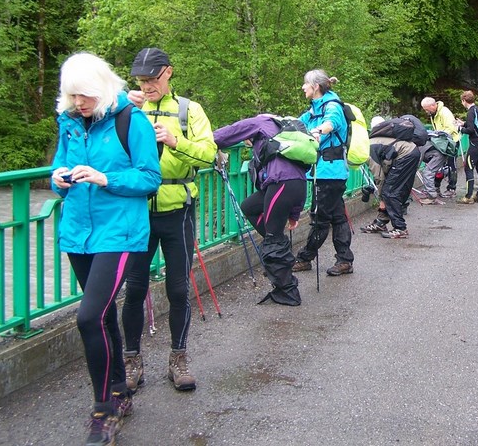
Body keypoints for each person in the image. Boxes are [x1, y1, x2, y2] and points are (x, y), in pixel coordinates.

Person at [50, 53, 161, 446]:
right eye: (72, 96)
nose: (79, 103)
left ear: (101, 88)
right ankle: (119, 389)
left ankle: (103, 412)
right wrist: (58, 180)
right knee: (103, 316)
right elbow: (58, 166)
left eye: (85, 96)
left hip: (119, 232)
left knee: (88, 317)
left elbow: (150, 177)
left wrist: (104, 177)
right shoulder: (69, 123)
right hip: (78, 232)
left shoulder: (132, 120)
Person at [121, 47, 217, 393]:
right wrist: (123, 100)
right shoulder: (129, 109)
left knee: (178, 288)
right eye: (141, 81)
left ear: (168, 73)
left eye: (152, 79)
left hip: (178, 209)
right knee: (134, 289)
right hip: (138, 211)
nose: (147, 86)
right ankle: (131, 362)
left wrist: (177, 141)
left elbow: (209, 155)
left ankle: (179, 359)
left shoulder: (189, 110)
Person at [213, 115, 307, 305]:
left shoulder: (259, 122)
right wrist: (294, 213)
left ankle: (288, 292)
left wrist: (191, 142)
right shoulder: (282, 129)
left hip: (281, 185)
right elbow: (293, 168)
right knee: (249, 206)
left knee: (273, 239)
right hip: (295, 185)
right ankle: (279, 254)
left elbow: (223, 135)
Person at [292, 70, 355, 276]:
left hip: (329, 172)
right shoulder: (314, 109)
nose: (303, 87)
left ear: (315, 87)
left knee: (320, 217)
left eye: (305, 84)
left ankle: (305, 258)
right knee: (337, 216)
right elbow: (294, 124)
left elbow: (331, 123)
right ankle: (345, 260)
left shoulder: (332, 106)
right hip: (327, 171)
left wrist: (317, 131)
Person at [361, 116, 421, 238]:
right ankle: (381, 222)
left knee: (390, 192)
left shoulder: (367, 151)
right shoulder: (370, 144)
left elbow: (379, 177)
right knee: (390, 190)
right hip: (409, 152)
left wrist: (382, 196)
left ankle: (400, 228)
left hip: (406, 155)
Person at [420, 97, 461, 201]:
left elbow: (451, 128)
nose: (426, 112)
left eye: (427, 109)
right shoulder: (434, 114)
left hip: (451, 142)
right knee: (440, 166)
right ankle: (436, 187)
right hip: (441, 143)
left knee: (451, 166)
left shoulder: (445, 112)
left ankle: (451, 189)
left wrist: (437, 134)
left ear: (433, 105)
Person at [456, 90, 478, 204]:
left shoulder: (470, 112)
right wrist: (463, 123)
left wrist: (459, 128)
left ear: (464, 101)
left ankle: (468, 196)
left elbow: (470, 130)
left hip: (475, 144)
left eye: (462, 101)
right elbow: (476, 125)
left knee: (468, 168)